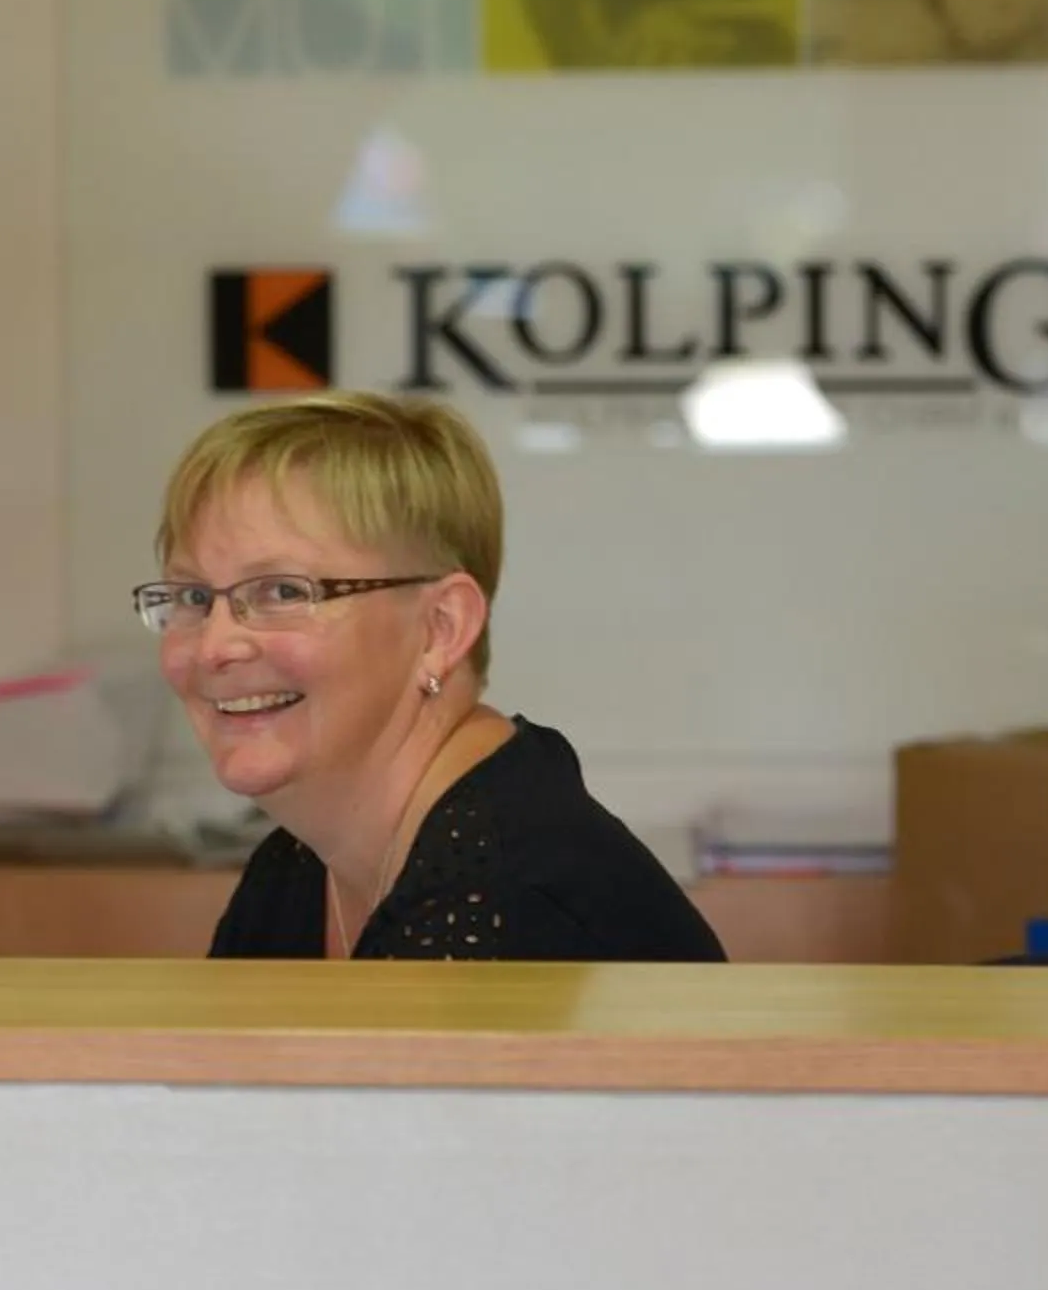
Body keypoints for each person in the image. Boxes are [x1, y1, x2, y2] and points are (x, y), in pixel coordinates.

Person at [139, 392, 725, 963]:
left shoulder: (504, 907)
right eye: (193, 596)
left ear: (440, 629)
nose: (215, 646)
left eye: (283, 592)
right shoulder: (295, 868)